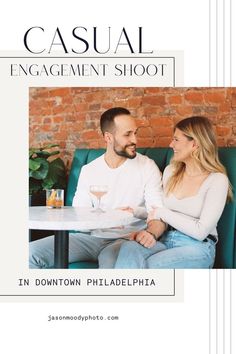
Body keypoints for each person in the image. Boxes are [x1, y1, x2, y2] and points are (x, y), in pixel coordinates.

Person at [29, 107, 166, 268]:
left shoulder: (147, 166)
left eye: (135, 133)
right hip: (89, 239)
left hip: (127, 239)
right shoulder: (89, 170)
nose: (135, 139)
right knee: (28, 253)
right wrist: (105, 221)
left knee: (110, 263)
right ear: (108, 137)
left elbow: (158, 214)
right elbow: (80, 212)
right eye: (127, 134)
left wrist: (150, 234)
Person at [114, 116, 232, 269]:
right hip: (165, 239)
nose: (171, 144)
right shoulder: (171, 172)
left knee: (149, 266)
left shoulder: (217, 180)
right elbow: (162, 212)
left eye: (176, 140)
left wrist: (162, 213)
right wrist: (136, 212)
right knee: (128, 249)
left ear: (194, 144)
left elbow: (200, 231)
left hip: (196, 247)